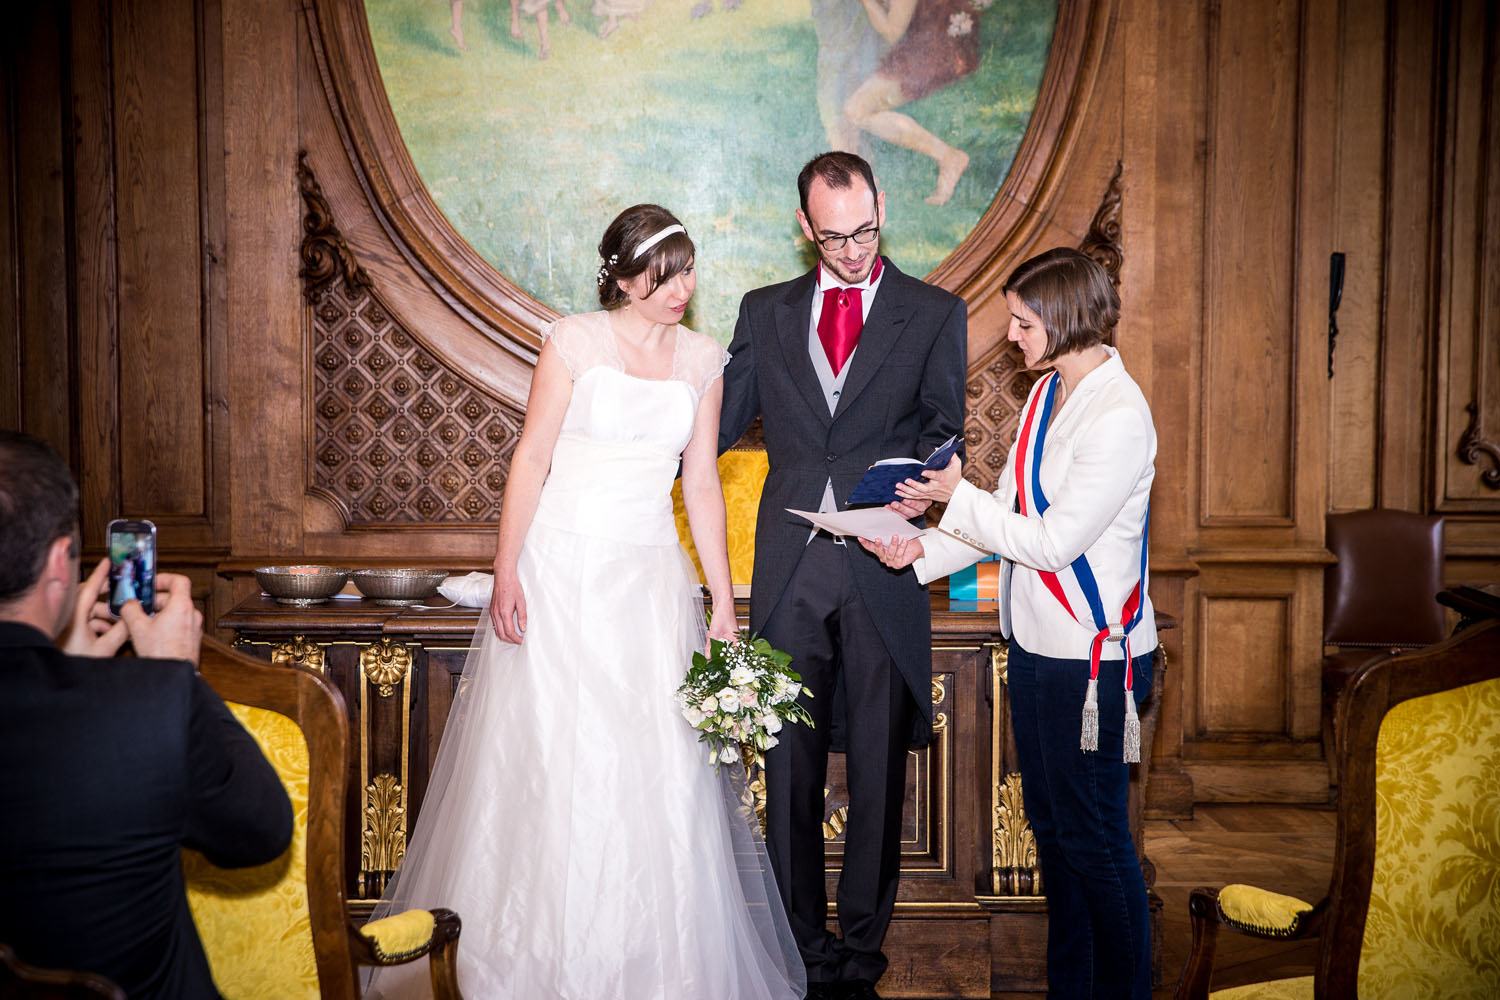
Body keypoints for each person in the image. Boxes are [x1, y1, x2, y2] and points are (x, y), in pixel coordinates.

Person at [366, 204, 805, 999]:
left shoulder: (704, 359)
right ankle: (528, 964)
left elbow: (701, 485)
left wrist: (720, 599)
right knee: (550, 764)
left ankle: (650, 970)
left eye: (688, 271)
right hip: (561, 573)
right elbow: (531, 457)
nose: (681, 289)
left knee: (653, 770)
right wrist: (506, 569)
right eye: (663, 277)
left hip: (649, 581)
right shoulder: (572, 341)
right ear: (624, 280)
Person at [864, 247, 1157, 999]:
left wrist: (954, 495)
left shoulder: (1120, 415)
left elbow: (1053, 543)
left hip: (1092, 659)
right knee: (1056, 839)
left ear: (1065, 318)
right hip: (1034, 649)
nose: (1013, 334)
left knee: (1098, 843)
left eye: (1024, 322)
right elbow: (1004, 517)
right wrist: (917, 552)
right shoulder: (1048, 395)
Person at [718, 151, 967, 1000]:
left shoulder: (933, 311)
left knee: (876, 765)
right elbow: (719, 421)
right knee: (785, 764)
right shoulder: (765, 311)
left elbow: (943, 429)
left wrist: (922, 484)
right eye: (834, 238)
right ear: (805, 228)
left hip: (880, 564)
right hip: (789, 566)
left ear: (882, 207)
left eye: (865, 231)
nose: (854, 251)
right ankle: (803, 955)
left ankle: (861, 959)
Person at [0, 430, 293, 1000]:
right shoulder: (149, 705)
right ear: (60, 561)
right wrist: (176, 677)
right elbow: (261, 830)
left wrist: (71, 672)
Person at [843, 0, 978, 205]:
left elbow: (892, 31)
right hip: (941, 47)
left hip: (932, 54)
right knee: (856, 104)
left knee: (856, 109)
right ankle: (948, 157)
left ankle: (948, 156)